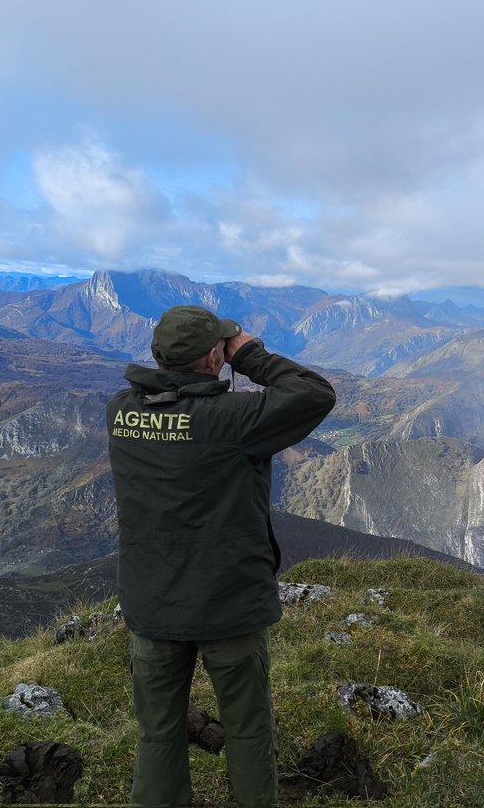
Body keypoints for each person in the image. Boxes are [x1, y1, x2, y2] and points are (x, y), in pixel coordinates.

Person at [106, 304, 336, 807]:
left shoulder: (121, 412)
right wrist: (250, 354)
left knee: (158, 731)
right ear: (215, 358)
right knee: (247, 727)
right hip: (229, 604)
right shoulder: (233, 420)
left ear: (157, 354)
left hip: (152, 604)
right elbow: (315, 395)